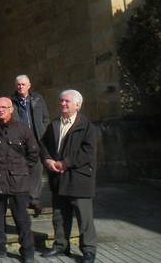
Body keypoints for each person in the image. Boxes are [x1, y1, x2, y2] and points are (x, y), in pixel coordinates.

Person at [41, 90, 98, 263]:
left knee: (84, 217)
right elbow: (44, 145)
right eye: (61, 101)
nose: (63, 104)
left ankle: (88, 251)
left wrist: (66, 163)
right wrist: (48, 160)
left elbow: (87, 152)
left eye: (67, 101)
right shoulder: (54, 124)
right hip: (58, 178)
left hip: (79, 178)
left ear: (78, 105)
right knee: (59, 215)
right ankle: (60, 245)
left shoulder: (87, 126)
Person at [0, 97, 38, 263]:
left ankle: (27, 252)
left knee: (22, 219)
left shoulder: (23, 129)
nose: (0, 110)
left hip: (18, 182)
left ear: (11, 109)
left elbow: (33, 154)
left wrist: (21, 170)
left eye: (4, 107)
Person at [11, 74, 50, 215]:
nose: (20, 87)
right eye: (18, 84)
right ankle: (23, 198)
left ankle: (34, 199)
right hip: (20, 141)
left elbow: (45, 118)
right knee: (21, 169)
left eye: (23, 84)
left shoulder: (38, 99)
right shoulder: (12, 101)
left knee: (36, 170)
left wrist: (44, 132)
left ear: (29, 85)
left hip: (36, 139)